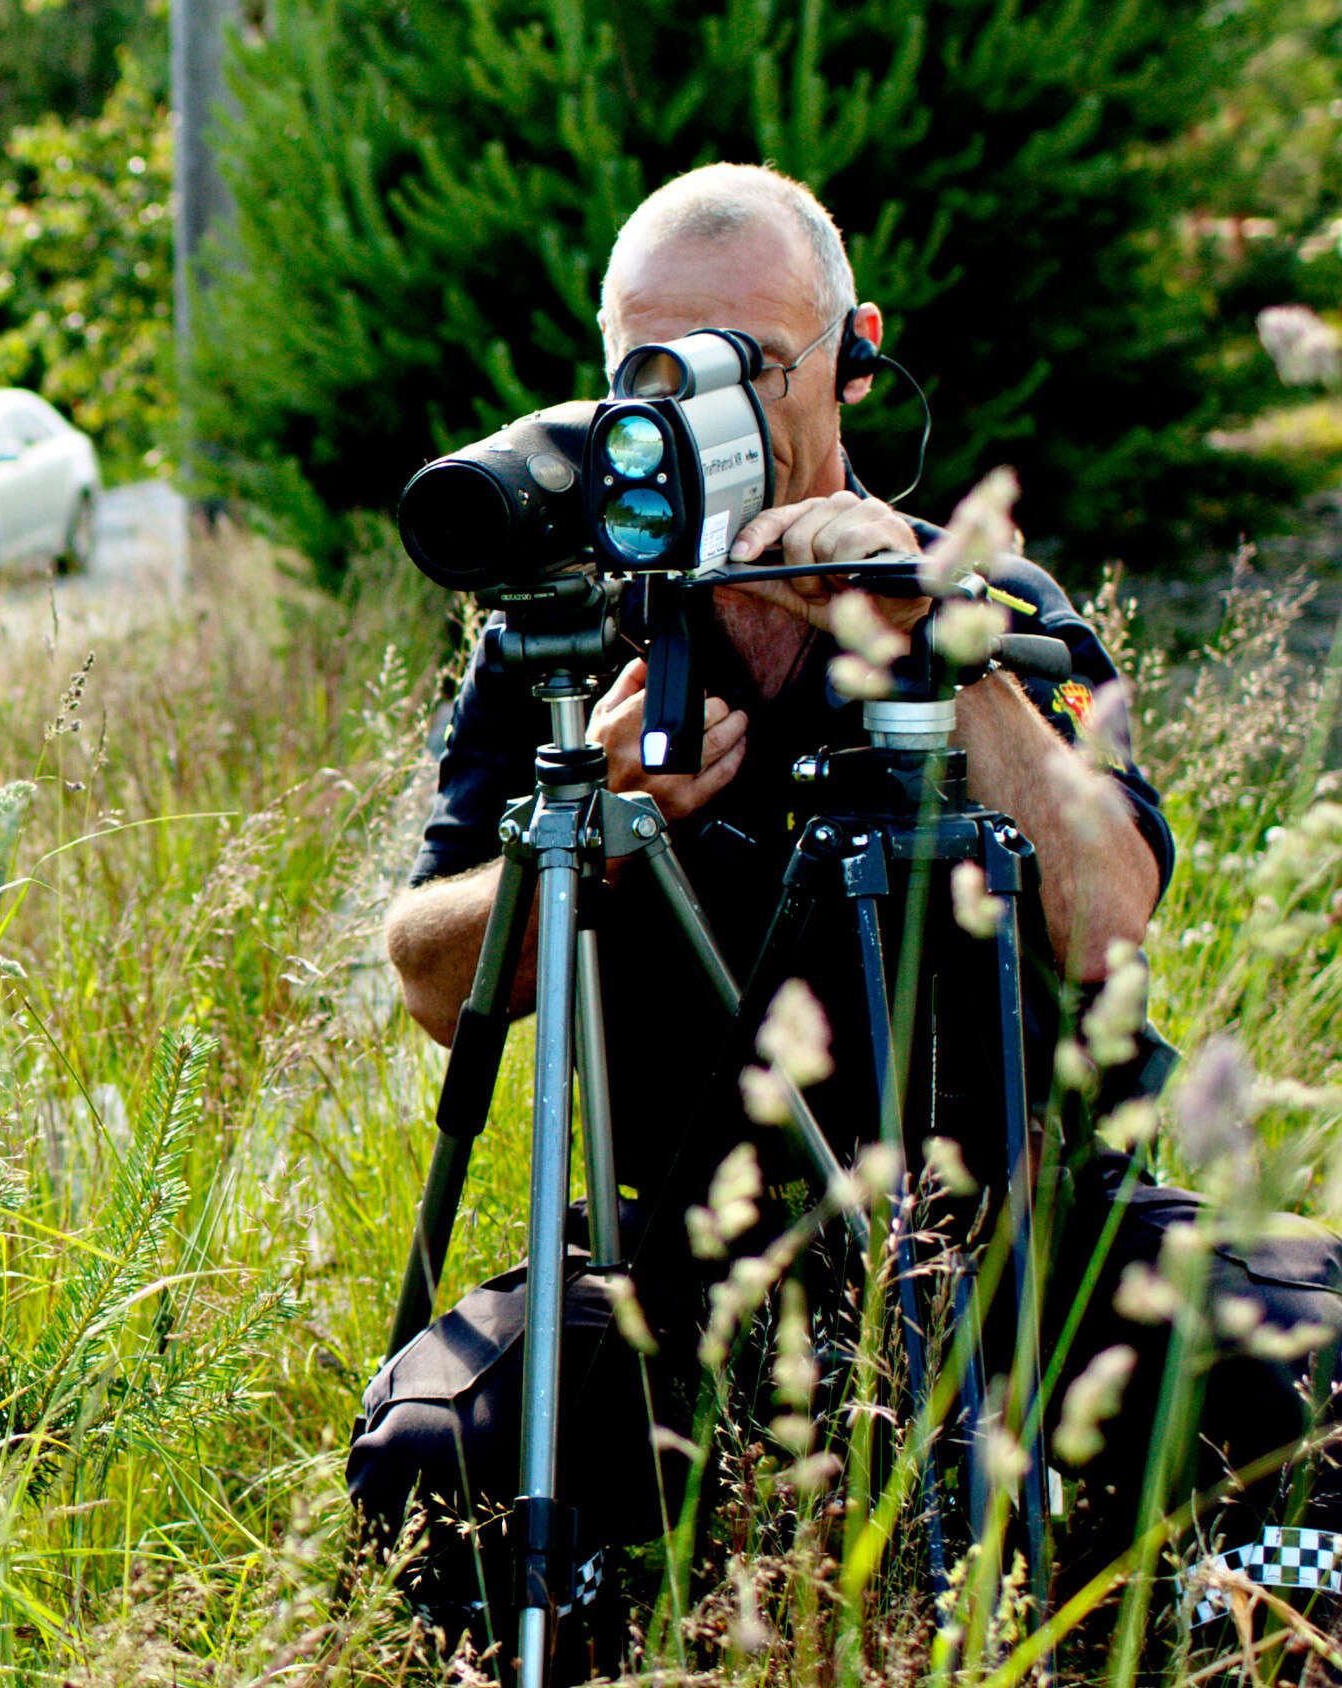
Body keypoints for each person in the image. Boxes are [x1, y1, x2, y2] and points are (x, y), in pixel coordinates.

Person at [349, 163, 1342, 1663]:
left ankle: (1182, 1630)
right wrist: (592, 823)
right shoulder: (564, 637)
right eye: (654, 369)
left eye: (748, 362)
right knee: (442, 1443)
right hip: (689, 1257)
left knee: (1306, 1365)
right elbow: (431, 982)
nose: (699, 407)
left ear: (853, 358)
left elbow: (1108, 923)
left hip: (1028, 1233)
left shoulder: (985, 596)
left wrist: (936, 651)